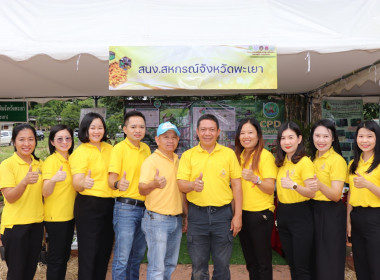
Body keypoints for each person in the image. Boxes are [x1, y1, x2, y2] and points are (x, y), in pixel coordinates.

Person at [177, 114, 242, 280]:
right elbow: (180, 185)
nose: (208, 133)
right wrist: (192, 185)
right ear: (197, 132)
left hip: (223, 216)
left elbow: (237, 186)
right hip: (197, 216)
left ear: (218, 132)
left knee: (222, 266)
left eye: (212, 129)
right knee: (199, 268)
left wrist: (238, 216)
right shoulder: (188, 155)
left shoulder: (228, 154)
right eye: (203, 129)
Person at [70, 112, 114, 280]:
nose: (97, 131)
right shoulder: (80, 152)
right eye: (92, 128)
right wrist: (83, 184)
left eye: (100, 127)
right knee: (89, 253)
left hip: (109, 204)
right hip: (89, 206)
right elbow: (76, 182)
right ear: (85, 130)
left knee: (104, 250)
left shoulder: (110, 149)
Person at [108, 110, 151, 280]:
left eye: (141, 127)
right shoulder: (118, 149)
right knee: (122, 256)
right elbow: (111, 178)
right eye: (133, 127)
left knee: (137, 256)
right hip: (125, 208)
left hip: (145, 209)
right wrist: (119, 184)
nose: (137, 130)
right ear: (125, 129)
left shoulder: (146, 149)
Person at [139, 122, 185, 280]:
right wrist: (154, 184)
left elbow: (181, 191)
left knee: (170, 264)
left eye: (174, 137)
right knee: (157, 268)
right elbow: (141, 188)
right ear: (157, 140)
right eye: (166, 137)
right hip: (157, 219)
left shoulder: (179, 161)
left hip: (176, 219)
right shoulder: (151, 161)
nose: (170, 140)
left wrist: (185, 216)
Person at [234, 118, 277, 280]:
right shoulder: (237, 156)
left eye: (250, 132)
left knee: (263, 262)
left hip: (260, 215)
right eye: (242, 133)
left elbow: (269, 189)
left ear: (258, 135)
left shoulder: (265, 157)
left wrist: (255, 179)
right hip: (242, 213)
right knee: (250, 261)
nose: (246, 136)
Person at [0, 124, 44, 280]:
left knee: (30, 271)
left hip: (37, 224)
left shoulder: (40, 164)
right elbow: (10, 197)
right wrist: (24, 182)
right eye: (22, 139)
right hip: (15, 227)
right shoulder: (7, 165)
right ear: (13, 142)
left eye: (31, 139)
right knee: (16, 274)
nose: (27, 144)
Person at [274, 121, 316, 280]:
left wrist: (294, 186)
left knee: (301, 265)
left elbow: (312, 193)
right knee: (291, 263)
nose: (287, 142)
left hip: (301, 216)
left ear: (299, 139)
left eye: (291, 137)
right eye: (283, 138)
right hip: (284, 215)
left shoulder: (304, 162)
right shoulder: (281, 162)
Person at [309, 119, 347, 280]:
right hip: (312, 210)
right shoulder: (312, 159)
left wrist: (319, 185)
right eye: (317, 135)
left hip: (331, 213)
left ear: (333, 138)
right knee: (315, 258)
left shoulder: (337, 160)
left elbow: (336, 195)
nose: (321, 140)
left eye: (326, 136)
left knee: (329, 260)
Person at [42, 124, 76, 280]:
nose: (64, 141)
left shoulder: (72, 160)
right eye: (59, 138)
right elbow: (45, 192)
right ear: (52, 142)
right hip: (56, 218)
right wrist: (54, 179)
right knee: (56, 259)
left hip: (69, 217)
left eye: (67, 138)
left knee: (64, 257)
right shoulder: (51, 161)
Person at [347, 120, 380, 280]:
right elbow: (350, 195)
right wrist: (348, 221)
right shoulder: (353, 164)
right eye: (361, 136)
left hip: (375, 217)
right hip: (357, 217)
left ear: (377, 138)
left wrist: (368, 184)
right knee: (360, 266)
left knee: (376, 265)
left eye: (369, 136)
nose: (365, 140)